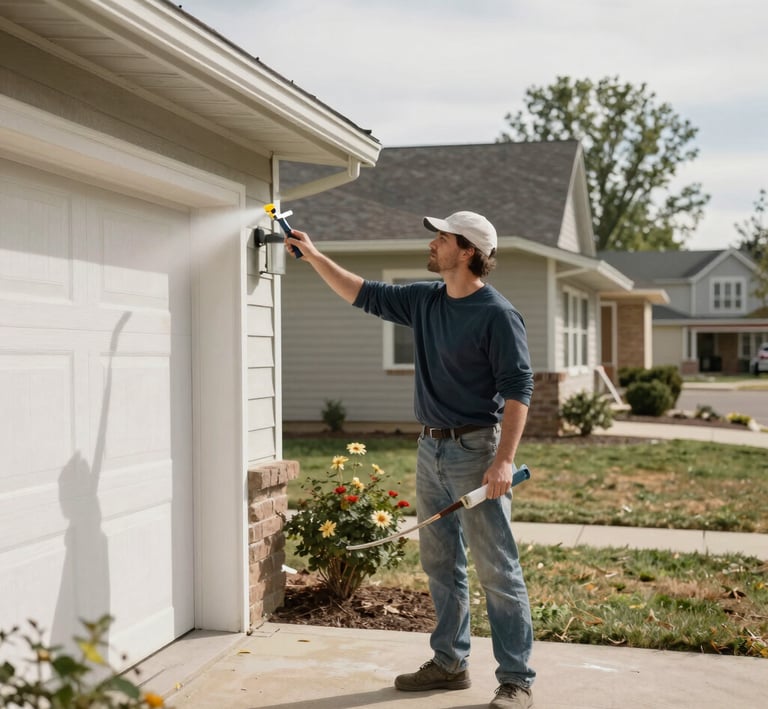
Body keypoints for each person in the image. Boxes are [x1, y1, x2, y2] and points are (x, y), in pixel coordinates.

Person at [286, 211, 536, 709]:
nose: (434, 243)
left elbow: (518, 390)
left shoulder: (497, 314)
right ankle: (449, 664)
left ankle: (516, 679)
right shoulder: (426, 300)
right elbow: (362, 292)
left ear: (467, 251)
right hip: (431, 449)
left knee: (497, 570)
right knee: (440, 564)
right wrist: (313, 256)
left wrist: (504, 461)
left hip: (476, 451)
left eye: (442, 238)